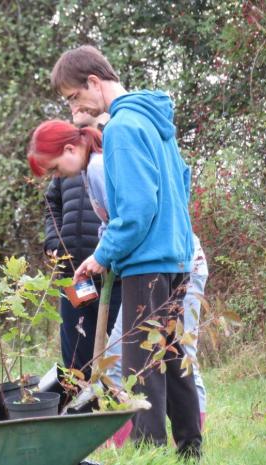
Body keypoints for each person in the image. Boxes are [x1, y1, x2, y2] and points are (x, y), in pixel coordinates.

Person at [44, 45, 201, 458]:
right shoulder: (154, 121)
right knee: (169, 353)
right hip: (175, 258)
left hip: (147, 263)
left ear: (94, 83)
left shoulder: (122, 128)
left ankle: (146, 449)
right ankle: (190, 447)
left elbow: (135, 209)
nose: (74, 106)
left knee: (140, 365)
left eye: (74, 97)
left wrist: (103, 254)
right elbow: (182, 185)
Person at [106, 234, 209, 446]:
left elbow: (135, 220)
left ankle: (186, 446)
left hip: (171, 264)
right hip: (149, 265)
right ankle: (117, 444)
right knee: (116, 358)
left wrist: (100, 257)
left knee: (179, 355)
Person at [43, 112, 121, 380]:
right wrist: (54, 241)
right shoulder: (66, 167)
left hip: (113, 271)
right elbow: (51, 205)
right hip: (76, 272)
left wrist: (105, 253)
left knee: (126, 348)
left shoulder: (107, 159)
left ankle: (128, 411)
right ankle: (85, 412)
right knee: (77, 354)